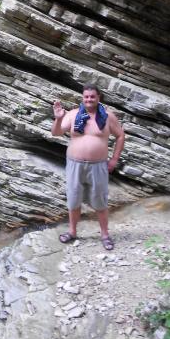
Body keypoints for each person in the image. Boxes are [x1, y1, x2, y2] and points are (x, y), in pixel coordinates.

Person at [51, 84, 125, 250]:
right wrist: (58, 118)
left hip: (98, 165)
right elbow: (55, 133)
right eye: (86, 97)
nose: (89, 100)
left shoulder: (107, 116)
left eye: (92, 96)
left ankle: (105, 235)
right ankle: (72, 232)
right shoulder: (73, 114)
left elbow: (120, 136)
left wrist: (114, 159)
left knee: (100, 201)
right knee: (73, 199)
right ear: (82, 98)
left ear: (99, 98)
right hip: (74, 164)